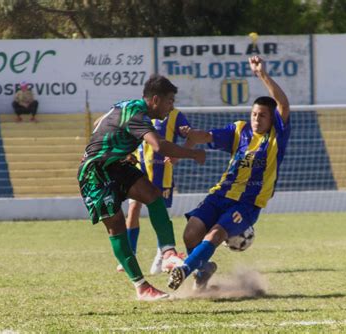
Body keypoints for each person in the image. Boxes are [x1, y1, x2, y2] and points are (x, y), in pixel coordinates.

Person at [168, 56, 291, 291]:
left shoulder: (277, 136)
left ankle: (184, 269)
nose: (256, 118)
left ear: (272, 118)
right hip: (220, 194)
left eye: (262, 115)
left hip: (246, 203)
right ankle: (204, 271)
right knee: (191, 234)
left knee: (215, 235)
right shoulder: (240, 130)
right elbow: (209, 137)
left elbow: (283, 105)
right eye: (254, 114)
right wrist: (192, 135)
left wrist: (261, 74)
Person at [77, 74, 206, 301]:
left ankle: (167, 253)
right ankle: (142, 286)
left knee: (152, 195)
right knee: (116, 227)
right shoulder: (137, 115)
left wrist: (120, 150)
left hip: (116, 164)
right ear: (155, 100)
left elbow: (101, 124)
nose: (171, 107)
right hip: (95, 173)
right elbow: (159, 146)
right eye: (169, 101)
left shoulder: (127, 106)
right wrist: (193, 153)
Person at [117, 108, 193, 275]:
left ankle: (162, 253)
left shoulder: (175, 115)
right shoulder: (140, 115)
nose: (170, 103)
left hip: (162, 173)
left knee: (160, 212)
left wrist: (179, 155)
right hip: (138, 170)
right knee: (133, 208)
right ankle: (130, 254)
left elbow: (191, 136)